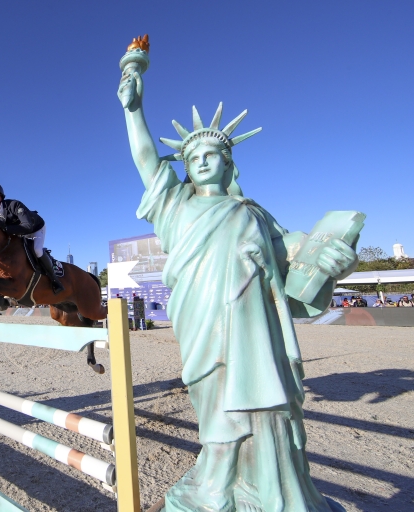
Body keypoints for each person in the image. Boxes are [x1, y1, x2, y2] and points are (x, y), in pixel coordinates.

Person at [118, 55, 358, 510]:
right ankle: (218, 481)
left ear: (229, 165)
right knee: (215, 410)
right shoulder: (175, 207)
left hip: (255, 328)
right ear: (185, 168)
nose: (203, 162)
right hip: (201, 324)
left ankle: (273, 491)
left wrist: (333, 261)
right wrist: (133, 109)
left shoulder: (252, 213)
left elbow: (299, 261)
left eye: (213, 156)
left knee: (266, 408)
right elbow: (147, 159)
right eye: (194, 158)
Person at [0, 182, 64, 294]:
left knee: (37, 250)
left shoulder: (14, 205)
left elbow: (27, 226)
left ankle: (55, 280)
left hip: (35, 228)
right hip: (19, 232)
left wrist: (7, 228)